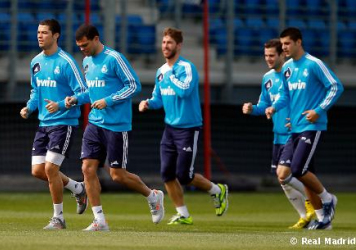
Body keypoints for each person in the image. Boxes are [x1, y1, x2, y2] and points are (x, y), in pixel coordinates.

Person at [66, 24, 164, 231]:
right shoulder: (86, 62)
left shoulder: (114, 58)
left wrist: (109, 100)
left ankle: (153, 196)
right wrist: (75, 99)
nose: (82, 49)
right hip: (95, 123)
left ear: (96, 39)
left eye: (85, 45)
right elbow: (92, 93)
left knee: (117, 175)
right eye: (79, 46)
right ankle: (99, 221)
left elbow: (134, 85)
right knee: (87, 168)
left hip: (117, 126)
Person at [138, 27, 228, 225]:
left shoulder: (186, 68)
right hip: (169, 129)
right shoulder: (161, 71)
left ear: (178, 45)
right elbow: (158, 98)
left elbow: (185, 92)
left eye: (169, 43)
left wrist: (171, 76)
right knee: (167, 174)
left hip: (188, 128)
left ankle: (217, 190)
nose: (165, 46)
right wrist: (148, 104)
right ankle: (184, 215)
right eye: (163, 42)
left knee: (184, 175)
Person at [265, 27, 344, 230]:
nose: (284, 48)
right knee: (293, 173)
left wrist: (318, 110)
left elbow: (336, 86)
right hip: (295, 127)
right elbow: (285, 95)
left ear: (299, 42)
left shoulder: (314, 64)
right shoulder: (288, 68)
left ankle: (328, 199)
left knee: (299, 169)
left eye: (287, 43)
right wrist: (275, 107)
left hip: (312, 125)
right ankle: (323, 220)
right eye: (282, 44)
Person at [20, 19, 89, 230]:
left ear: (56, 35)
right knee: (38, 171)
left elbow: (85, 93)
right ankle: (78, 188)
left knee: (50, 168)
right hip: (43, 124)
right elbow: (35, 91)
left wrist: (60, 104)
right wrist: (29, 107)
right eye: (38, 32)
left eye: (44, 33)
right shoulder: (35, 62)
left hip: (63, 123)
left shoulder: (66, 62)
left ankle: (58, 218)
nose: (40, 36)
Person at [242, 39, 315, 229]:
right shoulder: (267, 78)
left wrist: (297, 118)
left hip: (295, 134)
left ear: (282, 54)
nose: (268, 59)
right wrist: (252, 109)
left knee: (288, 175)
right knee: (283, 180)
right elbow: (264, 106)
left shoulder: (293, 75)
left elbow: (305, 100)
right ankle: (305, 216)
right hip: (278, 135)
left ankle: (317, 200)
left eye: (272, 55)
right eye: (266, 55)